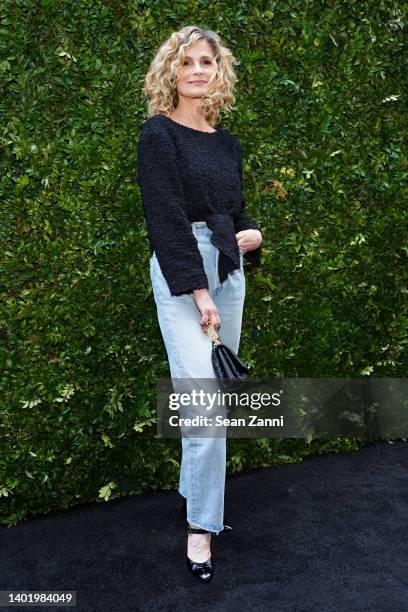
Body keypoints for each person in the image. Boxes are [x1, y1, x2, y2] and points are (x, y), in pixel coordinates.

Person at [136, 25, 262, 582]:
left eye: (206, 62)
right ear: (171, 70)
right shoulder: (158, 134)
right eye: (187, 61)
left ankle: (195, 489)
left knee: (212, 402)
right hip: (184, 269)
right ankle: (201, 525)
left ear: (218, 72)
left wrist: (252, 234)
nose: (197, 70)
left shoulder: (227, 142)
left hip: (229, 270)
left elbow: (236, 208)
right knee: (204, 403)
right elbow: (164, 219)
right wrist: (198, 289)